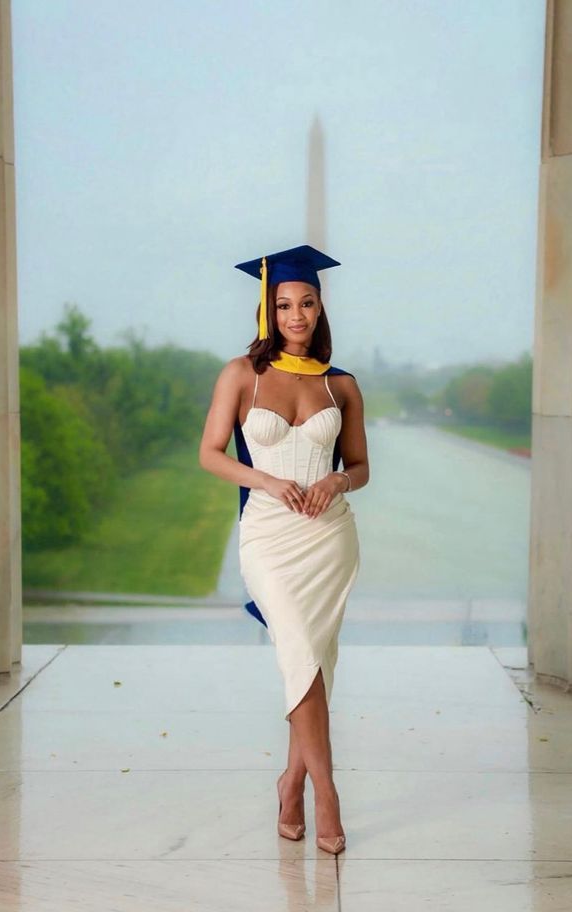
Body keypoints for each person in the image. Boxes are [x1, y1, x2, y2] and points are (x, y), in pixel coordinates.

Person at [199, 244, 369, 856]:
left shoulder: (341, 383)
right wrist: (267, 480)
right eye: (284, 304)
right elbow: (211, 454)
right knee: (298, 650)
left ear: (321, 308)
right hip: (270, 537)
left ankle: (292, 781)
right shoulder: (241, 374)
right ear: (266, 310)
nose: (296, 314)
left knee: (315, 665)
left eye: (306, 302)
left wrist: (335, 480)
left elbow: (360, 466)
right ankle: (328, 793)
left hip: (330, 538)